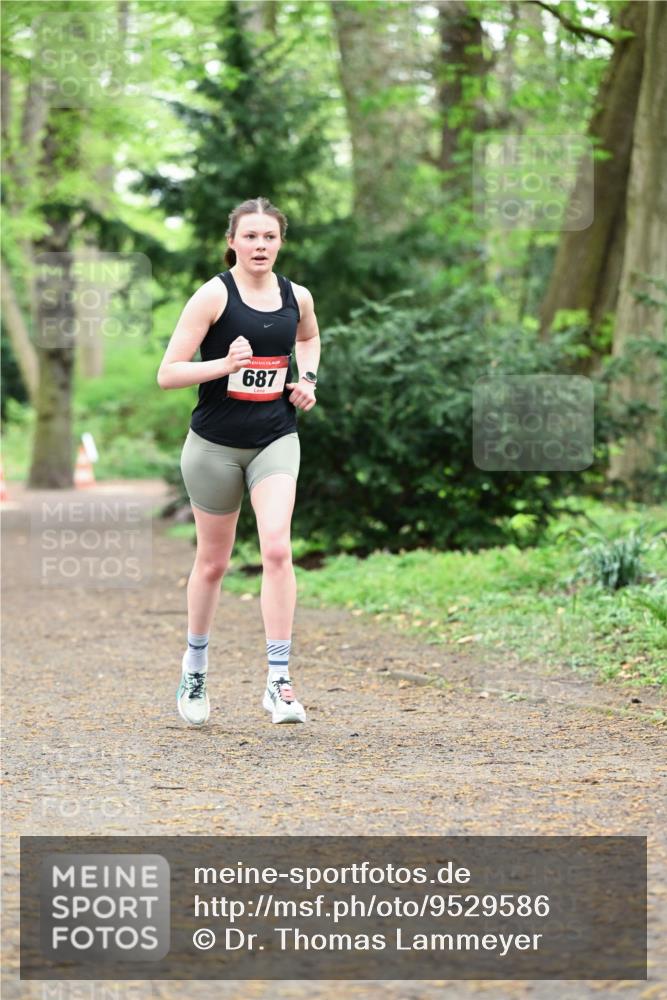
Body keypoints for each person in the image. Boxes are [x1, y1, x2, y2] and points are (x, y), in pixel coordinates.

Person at [157, 196, 320, 727]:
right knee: (214, 562)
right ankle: (195, 665)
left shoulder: (297, 296)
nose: (260, 246)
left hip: (275, 438)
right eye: (250, 236)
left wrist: (308, 382)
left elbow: (309, 338)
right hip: (213, 448)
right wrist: (222, 364)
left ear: (280, 243)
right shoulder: (212, 296)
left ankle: (279, 681)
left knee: (276, 547)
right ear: (232, 241)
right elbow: (169, 373)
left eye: (269, 237)